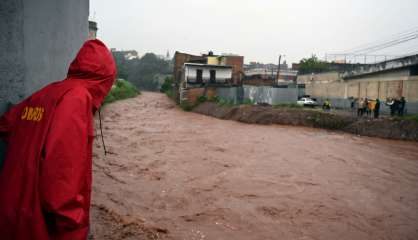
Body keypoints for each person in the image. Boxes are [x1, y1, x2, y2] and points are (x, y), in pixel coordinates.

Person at [0, 39, 116, 239]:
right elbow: (62, 182)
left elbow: (5, 125)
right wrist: (74, 228)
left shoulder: (47, 92)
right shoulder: (78, 99)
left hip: (10, 205)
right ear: (105, 79)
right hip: (36, 222)